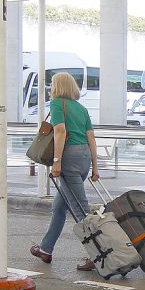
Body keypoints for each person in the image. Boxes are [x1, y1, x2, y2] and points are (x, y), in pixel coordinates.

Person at [29, 71, 100, 271]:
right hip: (84, 157)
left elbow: (60, 132)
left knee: (80, 209)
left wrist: (57, 161)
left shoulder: (58, 104)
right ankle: (46, 248)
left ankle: (98, 254)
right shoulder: (81, 108)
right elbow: (92, 138)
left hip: (68, 158)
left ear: (57, 86)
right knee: (60, 207)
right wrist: (95, 166)